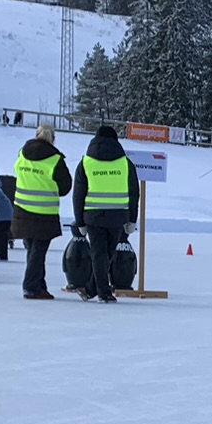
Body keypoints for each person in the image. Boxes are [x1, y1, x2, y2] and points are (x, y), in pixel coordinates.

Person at [69, 124, 142, 303]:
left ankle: (94, 290)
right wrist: (132, 218)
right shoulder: (125, 163)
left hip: (93, 216)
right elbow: (134, 192)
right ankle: (102, 292)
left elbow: (78, 194)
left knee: (100, 254)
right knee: (106, 254)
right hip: (118, 216)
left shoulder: (86, 162)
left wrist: (80, 221)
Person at [12, 125, 72, 299]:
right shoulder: (55, 159)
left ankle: (39, 284)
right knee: (38, 250)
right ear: (52, 138)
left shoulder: (22, 153)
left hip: (22, 208)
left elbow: (17, 172)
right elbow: (65, 187)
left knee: (32, 249)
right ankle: (31, 286)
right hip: (44, 211)